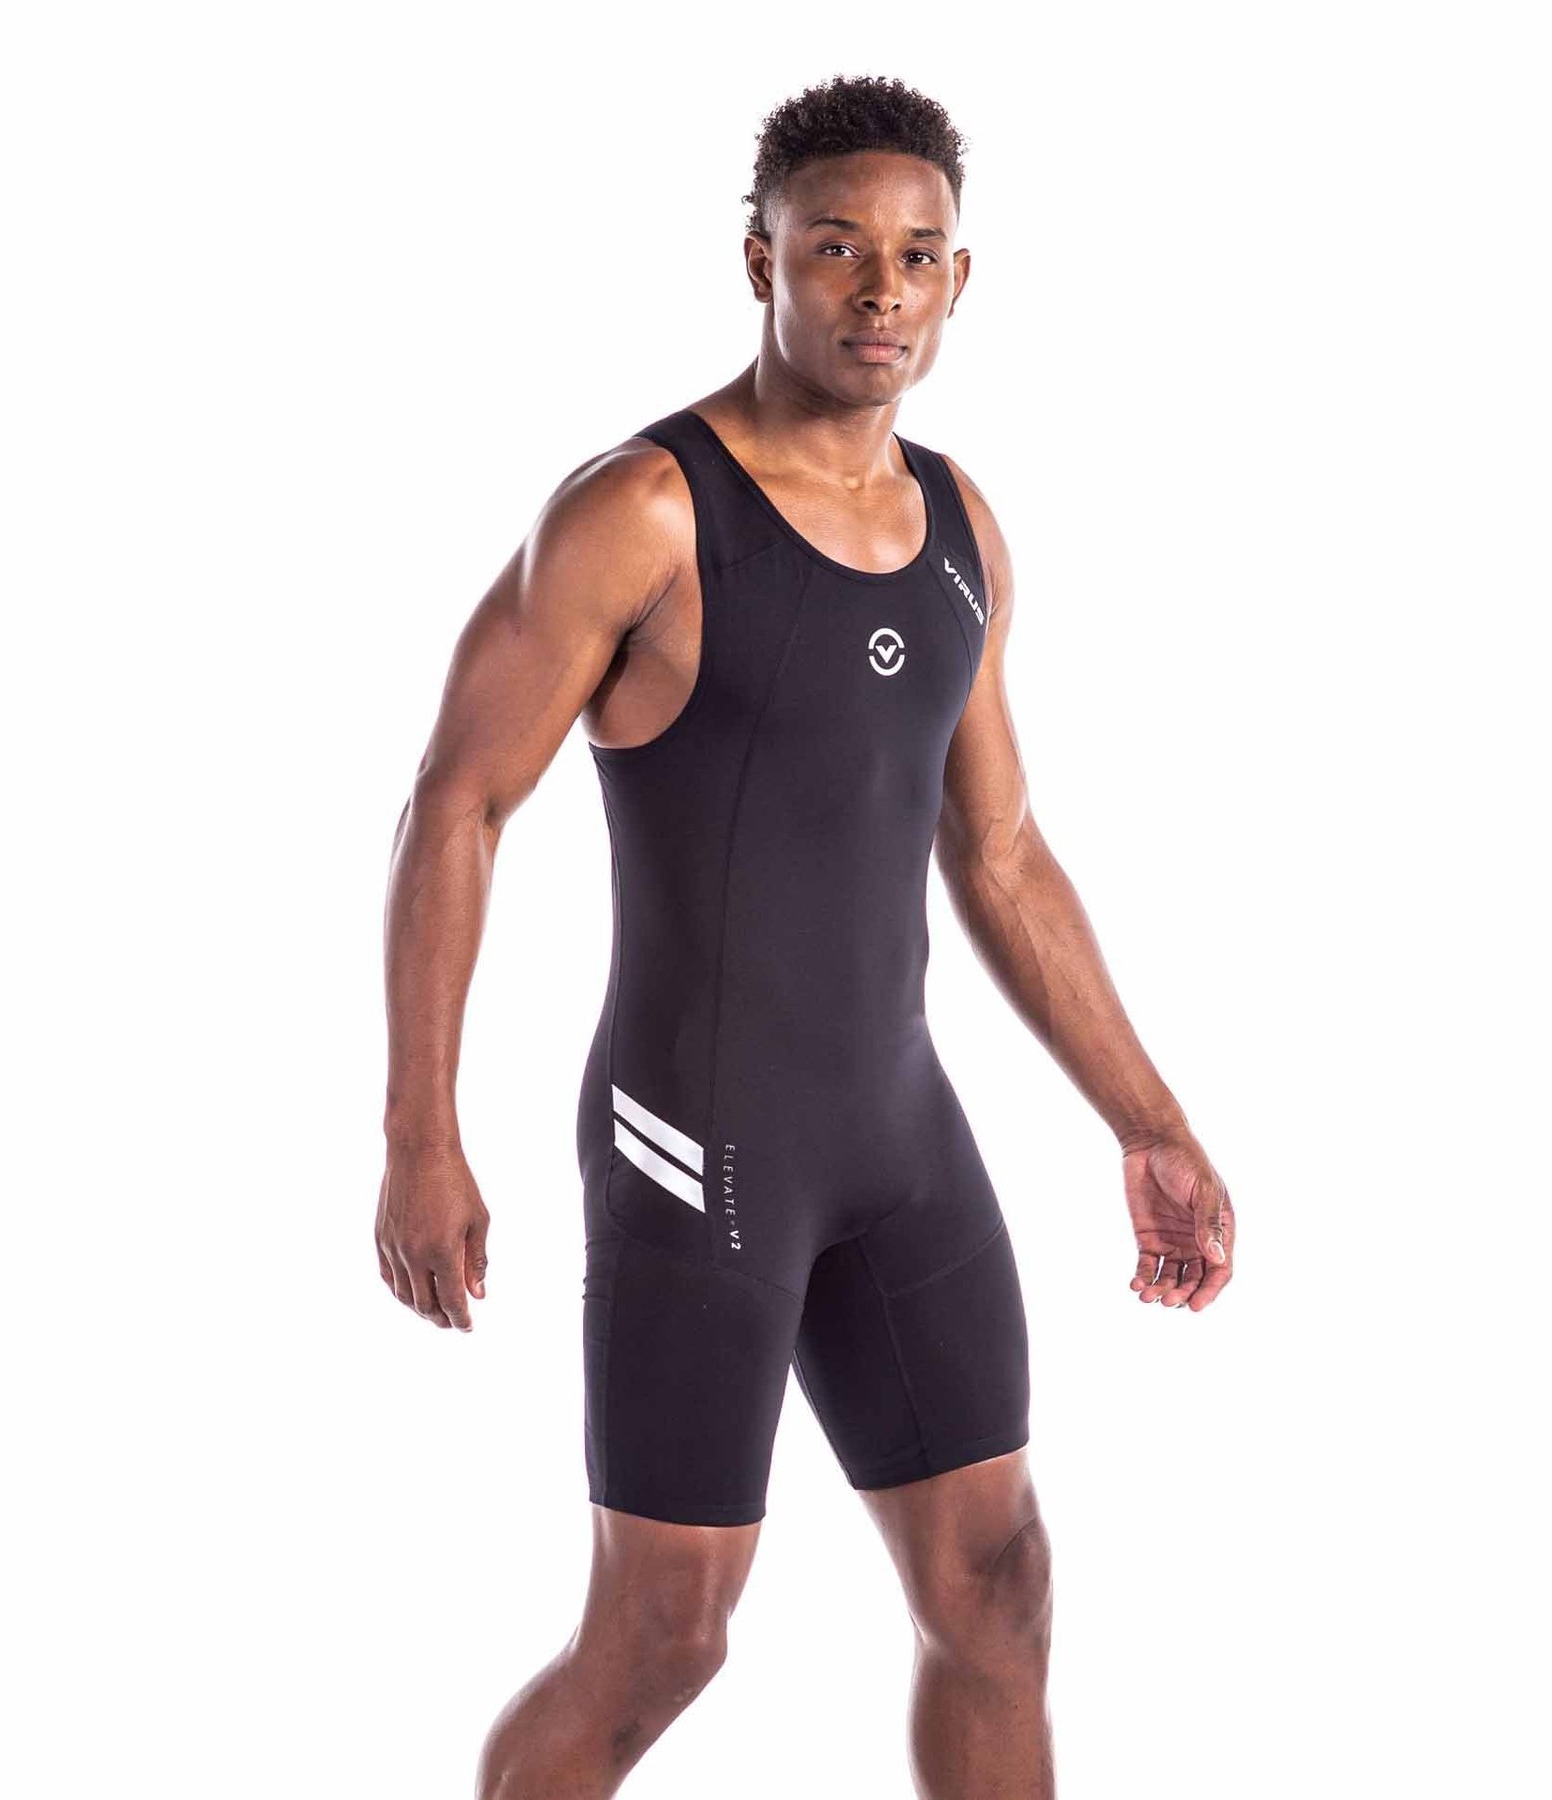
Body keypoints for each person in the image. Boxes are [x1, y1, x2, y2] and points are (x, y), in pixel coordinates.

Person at [376, 72, 1235, 1800]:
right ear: (758, 260)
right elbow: (454, 806)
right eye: (836, 247)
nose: (878, 290)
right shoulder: (641, 511)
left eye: (916, 255)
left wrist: (1147, 1120)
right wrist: (420, 1136)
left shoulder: (960, 525)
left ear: (958, 279)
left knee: (998, 1593)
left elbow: (998, 850)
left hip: (901, 1146)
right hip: (697, 1143)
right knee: (665, 1636)